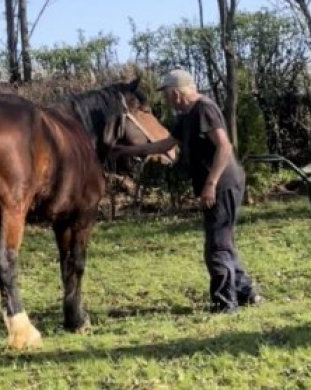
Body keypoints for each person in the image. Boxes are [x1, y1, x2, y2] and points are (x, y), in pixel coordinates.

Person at [111, 69, 261, 313]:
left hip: (223, 184)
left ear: (178, 94)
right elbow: (166, 144)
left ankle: (225, 305)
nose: (167, 100)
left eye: (168, 95)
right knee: (223, 240)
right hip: (218, 184)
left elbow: (224, 147)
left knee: (217, 246)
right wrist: (127, 151)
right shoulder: (186, 116)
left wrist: (211, 184)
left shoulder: (204, 109)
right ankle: (246, 293)